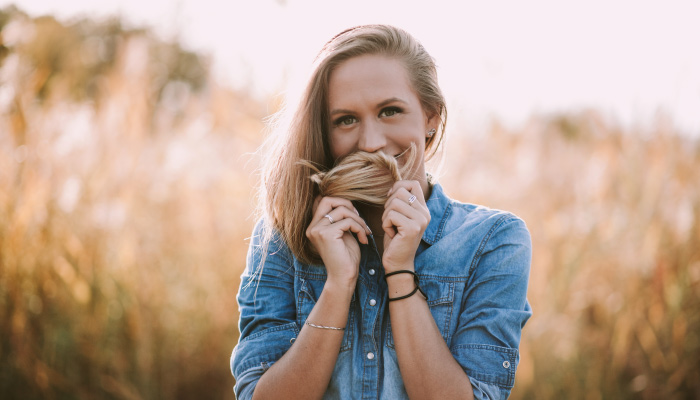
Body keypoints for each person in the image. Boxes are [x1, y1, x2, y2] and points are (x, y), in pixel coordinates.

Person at [230, 24, 532, 400]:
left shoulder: (494, 241)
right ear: (324, 131)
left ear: (431, 117)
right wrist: (338, 285)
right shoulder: (280, 238)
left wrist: (402, 272)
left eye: (390, 111)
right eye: (346, 120)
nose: (371, 142)